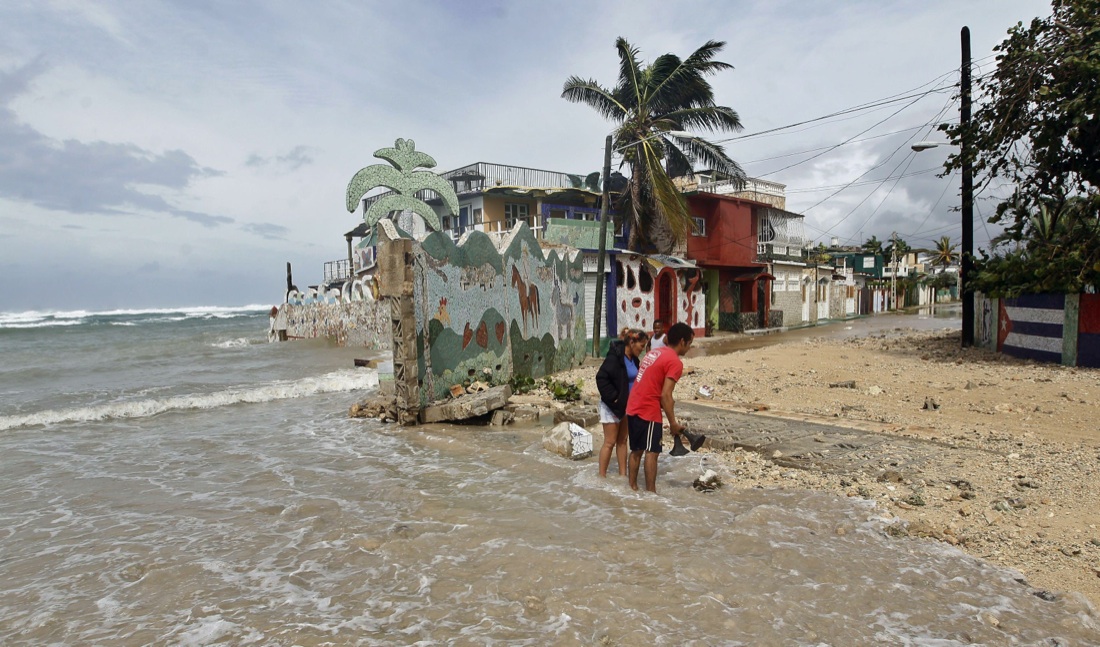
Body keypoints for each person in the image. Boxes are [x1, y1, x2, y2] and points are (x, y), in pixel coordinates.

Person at [625, 322, 694, 492]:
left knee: (636, 450)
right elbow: (666, 396)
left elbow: (650, 381)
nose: (689, 348)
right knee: (652, 452)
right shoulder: (675, 362)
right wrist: (673, 424)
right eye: (690, 343)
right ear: (682, 342)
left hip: (632, 405)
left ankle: (631, 489)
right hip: (648, 410)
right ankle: (651, 494)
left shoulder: (653, 353)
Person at [595, 329, 649, 477]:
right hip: (611, 406)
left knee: (623, 440)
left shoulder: (634, 359)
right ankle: (601, 477)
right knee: (610, 442)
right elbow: (601, 378)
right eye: (641, 346)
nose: (642, 349)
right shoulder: (615, 358)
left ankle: (622, 476)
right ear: (631, 342)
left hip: (627, 406)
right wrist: (614, 398)